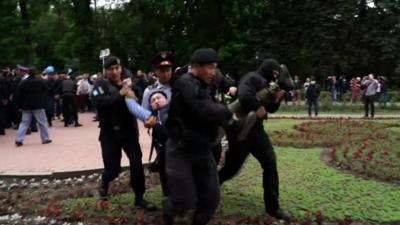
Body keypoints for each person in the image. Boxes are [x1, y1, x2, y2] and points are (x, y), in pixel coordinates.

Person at [164, 48, 233, 225]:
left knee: (211, 198)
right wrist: (227, 112)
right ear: (195, 66)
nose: (213, 72)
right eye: (210, 68)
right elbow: (203, 108)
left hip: (201, 149)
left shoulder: (206, 83)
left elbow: (214, 102)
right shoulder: (186, 83)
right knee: (184, 201)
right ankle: (170, 211)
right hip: (180, 149)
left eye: (215, 67)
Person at [218, 58, 292, 221]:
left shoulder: (267, 85)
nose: (275, 77)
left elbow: (270, 109)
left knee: (270, 163)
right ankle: (211, 187)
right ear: (270, 70)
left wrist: (277, 98)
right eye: (275, 74)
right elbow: (245, 96)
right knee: (231, 169)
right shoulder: (251, 77)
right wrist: (258, 108)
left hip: (257, 130)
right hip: (241, 130)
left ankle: (273, 208)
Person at [92, 56, 155, 210]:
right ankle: (105, 182)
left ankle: (139, 197)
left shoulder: (129, 83)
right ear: (105, 71)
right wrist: (120, 94)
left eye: (117, 68)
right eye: (111, 69)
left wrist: (133, 90)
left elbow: (141, 99)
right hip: (109, 133)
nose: (115, 72)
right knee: (113, 169)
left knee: (136, 164)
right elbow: (98, 102)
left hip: (129, 131)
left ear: (120, 68)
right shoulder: (100, 85)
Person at [14, 67, 52, 146]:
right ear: (35, 73)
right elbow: (45, 91)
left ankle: (19, 139)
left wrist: (19, 105)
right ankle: (45, 138)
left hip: (26, 106)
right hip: (38, 105)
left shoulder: (23, 82)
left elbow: (19, 95)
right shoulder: (40, 82)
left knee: (24, 123)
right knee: (42, 122)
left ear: (28, 73)